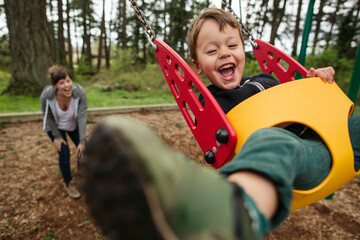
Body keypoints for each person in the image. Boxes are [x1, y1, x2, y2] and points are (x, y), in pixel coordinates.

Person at [80, 8, 360, 240]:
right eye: (212, 50)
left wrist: (314, 80)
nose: (225, 53)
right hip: (297, 159)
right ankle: (233, 214)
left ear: (244, 51)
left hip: (333, 136)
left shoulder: (265, 79)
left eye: (232, 45)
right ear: (197, 66)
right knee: (273, 141)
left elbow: (301, 100)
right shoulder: (210, 104)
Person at [41, 65, 88, 199]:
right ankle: (68, 184)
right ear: (55, 85)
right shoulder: (47, 95)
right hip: (56, 127)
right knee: (64, 153)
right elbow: (47, 115)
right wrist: (56, 136)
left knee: (84, 150)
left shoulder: (79, 92)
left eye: (68, 81)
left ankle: (83, 175)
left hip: (73, 124)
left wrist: (82, 141)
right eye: (62, 83)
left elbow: (82, 115)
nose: (67, 85)